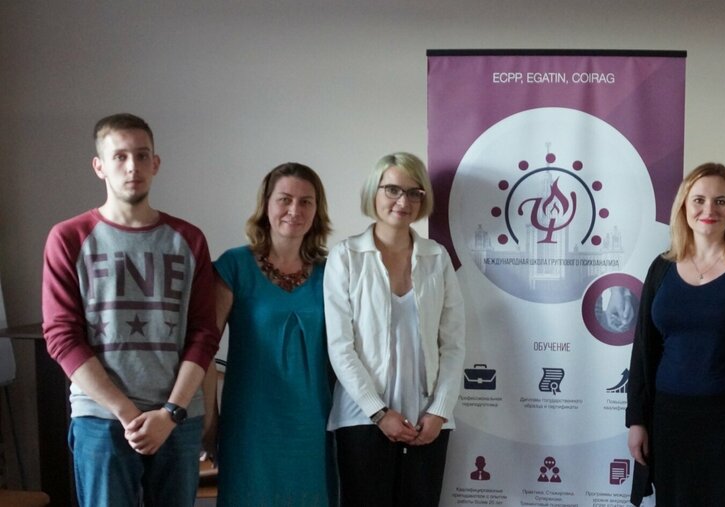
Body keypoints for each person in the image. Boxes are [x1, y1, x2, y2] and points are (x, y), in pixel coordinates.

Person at [41, 113, 219, 506]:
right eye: (119, 156)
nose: (132, 166)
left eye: (141, 155)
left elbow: (204, 334)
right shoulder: (68, 238)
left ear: (156, 163)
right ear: (99, 166)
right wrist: (126, 413)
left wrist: (170, 413)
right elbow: (61, 337)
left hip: (177, 420)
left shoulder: (188, 239)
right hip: (101, 419)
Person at [626, 163, 725, 506]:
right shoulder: (662, 268)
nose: (709, 209)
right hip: (670, 420)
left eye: (720, 201)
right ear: (684, 207)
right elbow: (643, 350)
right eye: (699, 200)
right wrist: (637, 419)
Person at [324, 152, 465, 506]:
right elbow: (340, 346)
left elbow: (453, 344)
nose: (403, 201)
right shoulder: (346, 256)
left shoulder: (437, 257)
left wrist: (440, 410)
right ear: (374, 191)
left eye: (414, 192)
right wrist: (378, 412)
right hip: (362, 418)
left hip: (427, 422)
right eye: (392, 190)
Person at [202, 163, 336, 506]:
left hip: (313, 424)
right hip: (249, 424)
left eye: (306, 201)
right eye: (285, 199)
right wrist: (210, 421)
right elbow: (203, 350)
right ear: (266, 204)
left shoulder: (333, 272)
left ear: (317, 210)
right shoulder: (234, 266)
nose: (295, 210)